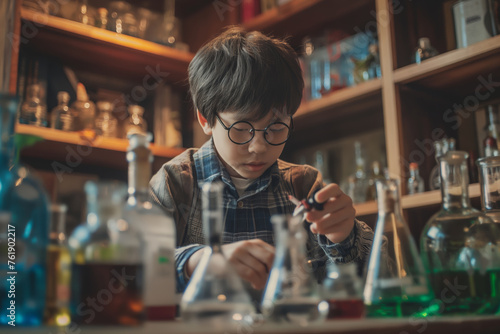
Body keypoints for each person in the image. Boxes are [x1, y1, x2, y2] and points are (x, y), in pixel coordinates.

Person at [150, 26, 374, 292]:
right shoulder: (174, 183)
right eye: (241, 129)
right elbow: (135, 267)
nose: (258, 147)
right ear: (205, 119)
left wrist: (344, 239)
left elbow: (362, 285)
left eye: (276, 128)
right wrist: (199, 261)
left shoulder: (304, 185)